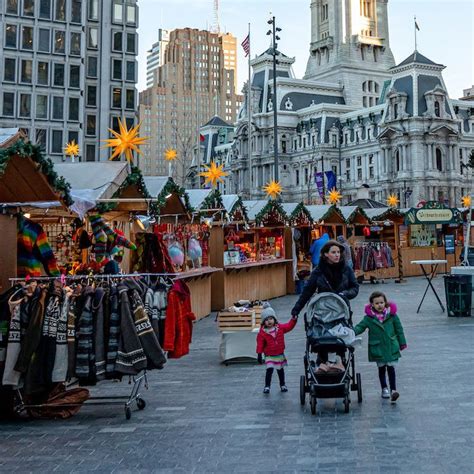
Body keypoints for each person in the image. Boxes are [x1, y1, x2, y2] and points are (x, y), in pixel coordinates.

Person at [354, 291, 407, 403]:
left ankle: (393, 390)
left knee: (391, 368)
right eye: (377, 303)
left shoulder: (392, 315)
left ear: (385, 303)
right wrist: (351, 332)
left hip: (391, 345)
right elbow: (360, 327)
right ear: (372, 304)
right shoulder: (368, 318)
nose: (380, 305)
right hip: (378, 347)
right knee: (381, 368)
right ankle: (384, 388)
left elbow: (399, 329)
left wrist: (402, 342)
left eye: (382, 302)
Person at [291, 240, 359, 318]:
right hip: (323, 310)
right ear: (326, 254)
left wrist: (345, 294)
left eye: (338, 252)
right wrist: (296, 310)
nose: (337, 255)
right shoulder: (318, 271)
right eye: (333, 252)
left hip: (342, 309)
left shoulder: (346, 269)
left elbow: (355, 287)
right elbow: (308, 291)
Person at [256, 303, 297, 394]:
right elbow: (260, 344)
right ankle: (267, 386)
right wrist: (259, 354)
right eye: (266, 320)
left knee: (280, 370)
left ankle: (282, 385)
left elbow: (289, 326)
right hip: (269, 355)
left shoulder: (280, 328)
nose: (269, 321)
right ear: (263, 322)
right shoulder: (262, 332)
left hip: (279, 353)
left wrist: (293, 319)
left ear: (274, 319)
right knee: (269, 370)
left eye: (271, 318)